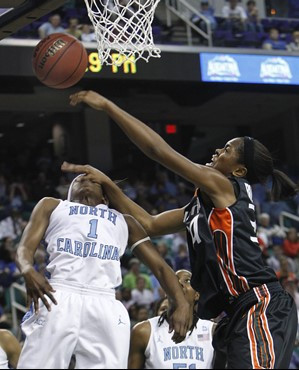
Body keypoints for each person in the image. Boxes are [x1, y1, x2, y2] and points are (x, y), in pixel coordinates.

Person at [64, 89, 299, 368]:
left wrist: (108, 106)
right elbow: (148, 223)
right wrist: (108, 184)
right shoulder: (200, 206)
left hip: (259, 306)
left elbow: (158, 151)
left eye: (226, 150)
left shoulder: (225, 186)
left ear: (238, 171)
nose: (217, 151)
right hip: (234, 312)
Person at [16, 174, 191, 369]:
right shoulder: (53, 206)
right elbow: (24, 248)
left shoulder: (125, 221)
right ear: (69, 193)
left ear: (105, 197)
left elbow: (159, 266)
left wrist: (181, 302)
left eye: (93, 181)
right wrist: (27, 269)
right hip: (59, 294)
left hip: (105, 300)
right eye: (80, 180)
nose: (85, 181)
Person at [128, 269, 215, 369]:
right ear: (166, 292)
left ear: (197, 295)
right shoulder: (144, 331)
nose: (180, 284)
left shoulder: (212, 331)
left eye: (187, 281)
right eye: (175, 281)